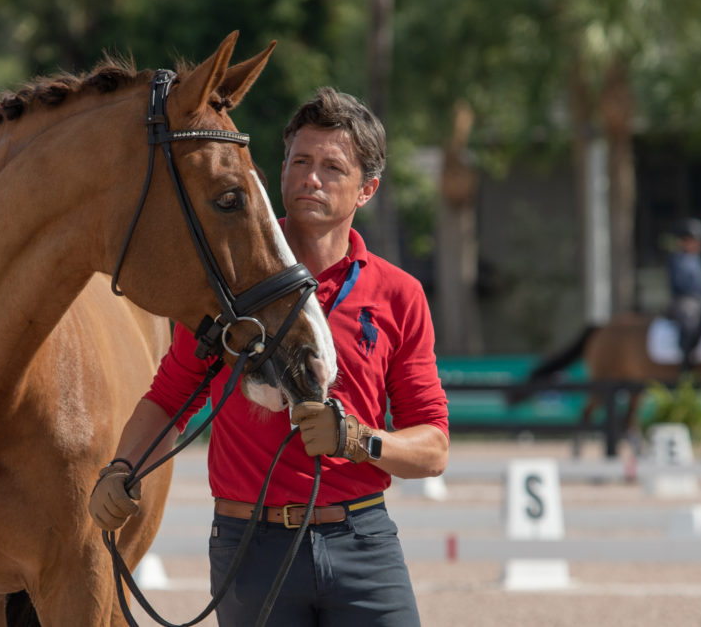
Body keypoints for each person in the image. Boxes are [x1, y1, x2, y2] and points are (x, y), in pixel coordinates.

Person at [89, 87, 449, 625]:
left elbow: (433, 446)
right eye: (300, 162)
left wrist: (358, 440)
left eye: (332, 167)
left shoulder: (400, 294)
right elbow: (169, 399)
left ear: (367, 190)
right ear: (280, 172)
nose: (311, 178)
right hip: (249, 549)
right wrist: (121, 468)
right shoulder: (226, 285)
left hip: (363, 543)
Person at [666, 218, 701, 356]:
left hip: (698, 298)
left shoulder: (697, 260)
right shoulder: (677, 259)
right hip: (683, 299)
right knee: (689, 319)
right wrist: (700, 292)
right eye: (687, 240)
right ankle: (685, 360)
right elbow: (681, 284)